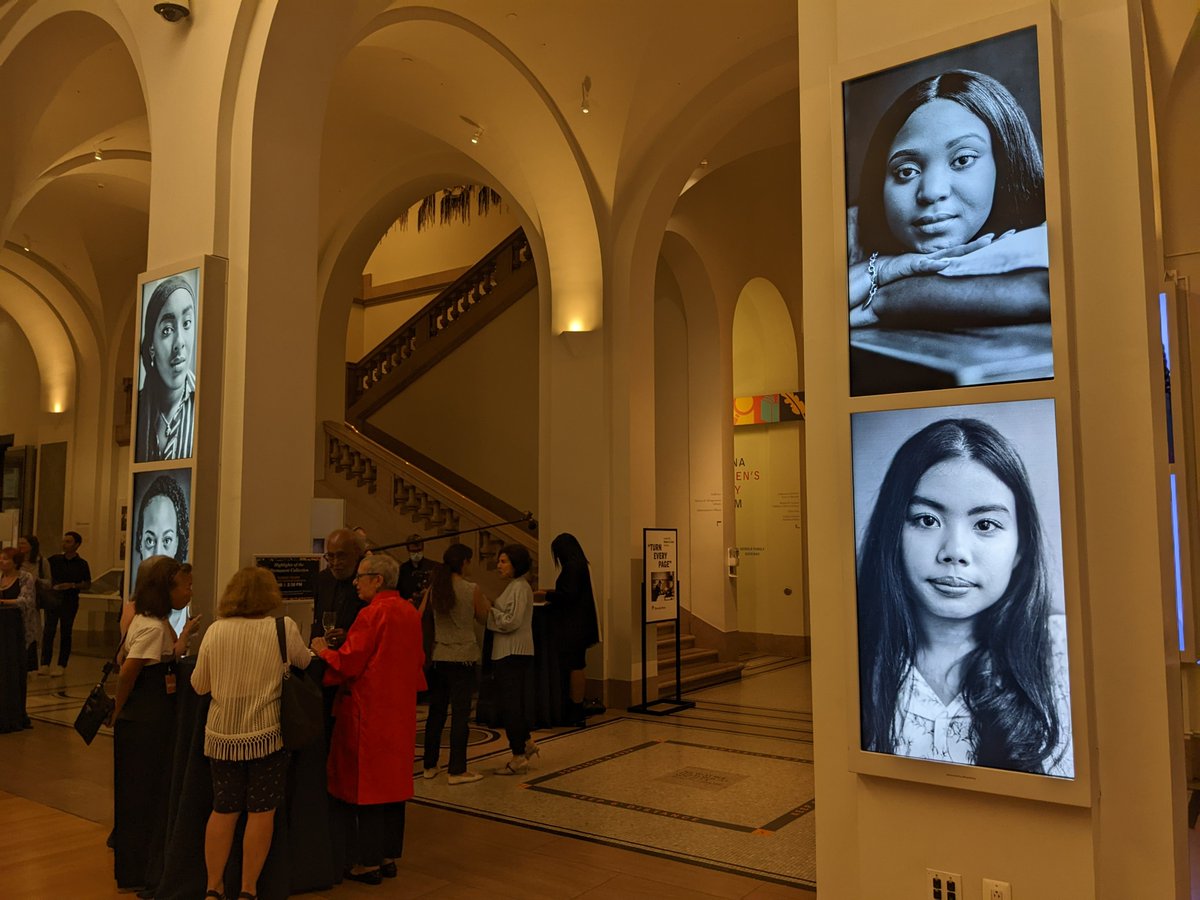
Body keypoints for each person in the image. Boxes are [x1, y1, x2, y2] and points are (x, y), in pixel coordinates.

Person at [856, 418, 1072, 777]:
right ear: (892, 532)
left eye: (985, 525)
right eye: (926, 520)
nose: (954, 552)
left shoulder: (1065, 651)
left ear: (1021, 548)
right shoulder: (855, 650)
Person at [848, 69, 1049, 329]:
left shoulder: (1055, 225)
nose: (931, 192)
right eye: (906, 171)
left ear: (1006, 162)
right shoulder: (848, 232)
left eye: (963, 160)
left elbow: (1047, 289)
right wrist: (883, 268)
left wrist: (885, 298)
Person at [191, 567, 310, 900]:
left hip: (222, 734)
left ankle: (213, 887)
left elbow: (199, 684)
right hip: (266, 733)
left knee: (224, 807)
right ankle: (248, 889)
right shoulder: (282, 628)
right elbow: (304, 662)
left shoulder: (216, 631)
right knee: (261, 810)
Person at [312, 552, 425, 884]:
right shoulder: (408, 611)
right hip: (399, 709)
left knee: (367, 788)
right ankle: (388, 855)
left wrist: (323, 649)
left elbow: (349, 662)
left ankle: (367, 862)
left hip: (368, 711)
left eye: (361, 576)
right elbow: (417, 658)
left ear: (378, 580)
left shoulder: (371, 613)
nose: (355, 582)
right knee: (393, 786)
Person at [110, 555, 199, 893]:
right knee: (141, 795)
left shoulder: (155, 620)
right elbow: (130, 669)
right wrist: (116, 709)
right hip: (144, 720)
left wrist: (185, 633)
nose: (189, 593)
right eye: (185, 587)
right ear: (166, 589)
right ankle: (137, 868)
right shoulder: (148, 626)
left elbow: (165, 655)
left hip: (150, 717)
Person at [422, 543, 491, 784]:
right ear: (463, 562)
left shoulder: (435, 587)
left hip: (439, 657)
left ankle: (429, 765)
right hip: (463, 658)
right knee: (460, 715)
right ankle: (457, 769)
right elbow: (484, 617)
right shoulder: (470, 588)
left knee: (436, 713)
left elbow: (422, 615)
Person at [537, 533, 601, 725]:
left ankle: (575, 708)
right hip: (581, 626)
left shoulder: (572, 567)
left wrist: (546, 595)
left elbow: (568, 595)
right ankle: (576, 706)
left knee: (574, 665)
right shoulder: (582, 565)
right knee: (577, 664)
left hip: (573, 627)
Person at [486, 543, 538, 775]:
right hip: (508, 652)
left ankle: (518, 755)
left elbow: (512, 621)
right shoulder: (514, 586)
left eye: (503, 561)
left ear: (516, 564)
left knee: (511, 706)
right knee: (512, 702)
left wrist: (489, 611)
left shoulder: (519, 587)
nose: (499, 565)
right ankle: (526, 743)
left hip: (513, 652)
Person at [135, 274, 197, 462]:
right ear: (151, 345)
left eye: (187, 324)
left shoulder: (207, 404)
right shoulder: (139, 407)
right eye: (167, 330)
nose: (179, 342)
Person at [130, 474, 191, 634]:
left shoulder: (183, 611)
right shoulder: (135, 613)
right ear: (140, 540)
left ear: (178, 542)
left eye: (167, 540)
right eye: (150, 540)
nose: (158, 553)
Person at [42, 530, 91, 676]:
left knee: (66, 631)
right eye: (64, 541)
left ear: (77, 545)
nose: (64, 544)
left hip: (70, 600)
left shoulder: (82, 564)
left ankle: (61, 664)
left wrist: (72, 585)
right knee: (49, 630)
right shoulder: (54, 560)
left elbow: (87, 583)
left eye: (68, 542)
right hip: (53, 599)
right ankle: (45, 663)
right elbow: (45, 574)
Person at [311, 527, 367, 647]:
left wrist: (350, 636)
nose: (336, 563)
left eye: (341, 556)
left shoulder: (368, 581)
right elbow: (317, 622)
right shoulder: (323, 579)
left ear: (357, 554)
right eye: (331, 556)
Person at [0, 547, 36, 726]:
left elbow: (27, 601)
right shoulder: (0, 578)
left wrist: (4, 602)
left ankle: (14, 713)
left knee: (13, 669)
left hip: (15, 631)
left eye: (6, 559)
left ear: (15, 562)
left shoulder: (25, 578)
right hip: (2, 629)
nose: (2, 562)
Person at [398, 533, 437, 604]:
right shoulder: (403, 569)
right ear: (408, 550)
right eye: (413, 551)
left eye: (419, 550)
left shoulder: (432, 566)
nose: (416, 554)